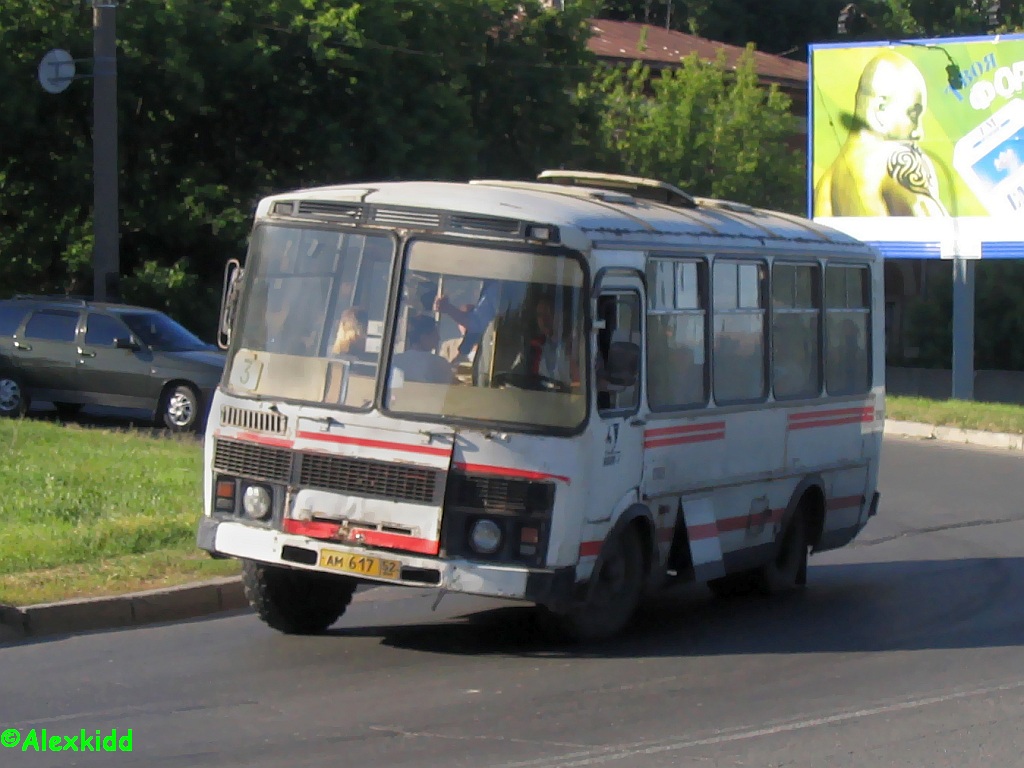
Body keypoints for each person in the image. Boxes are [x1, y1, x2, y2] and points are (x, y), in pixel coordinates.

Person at [814, 51, 948, 217]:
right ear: (880, 109)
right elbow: (942, 234)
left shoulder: (825, 183)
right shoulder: (897, 159)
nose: (919, 132)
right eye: (913, 115)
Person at [512, 295, 575, 385]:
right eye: (540, 315)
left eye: (549, 313)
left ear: (562, 315)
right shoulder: (532, 349)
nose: (544, 320)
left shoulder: (578, 347)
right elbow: (514, 379)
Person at [434, 281, 499, 361]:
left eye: (465, 319)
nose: (466, 325)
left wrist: (448, 309)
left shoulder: (497, 289)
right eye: (462, 321)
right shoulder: (448, 348)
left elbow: (477, 323)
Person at [392, 314, 454, 384]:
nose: (438, 338)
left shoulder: (395, 361)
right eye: (435, 334)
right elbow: (449, 388)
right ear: (424, 337)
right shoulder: (439, 363)